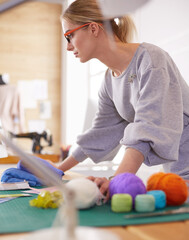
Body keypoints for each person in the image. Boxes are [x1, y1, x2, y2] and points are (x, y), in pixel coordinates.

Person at [56, 0, 189, 200]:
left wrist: (117, 180)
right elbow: (101, 133)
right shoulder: (109, 80)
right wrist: (57, 169)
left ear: (93, 28)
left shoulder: (151, 60)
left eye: (69, 36)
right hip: (177, 174)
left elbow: (147, 128)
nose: (68, 47)